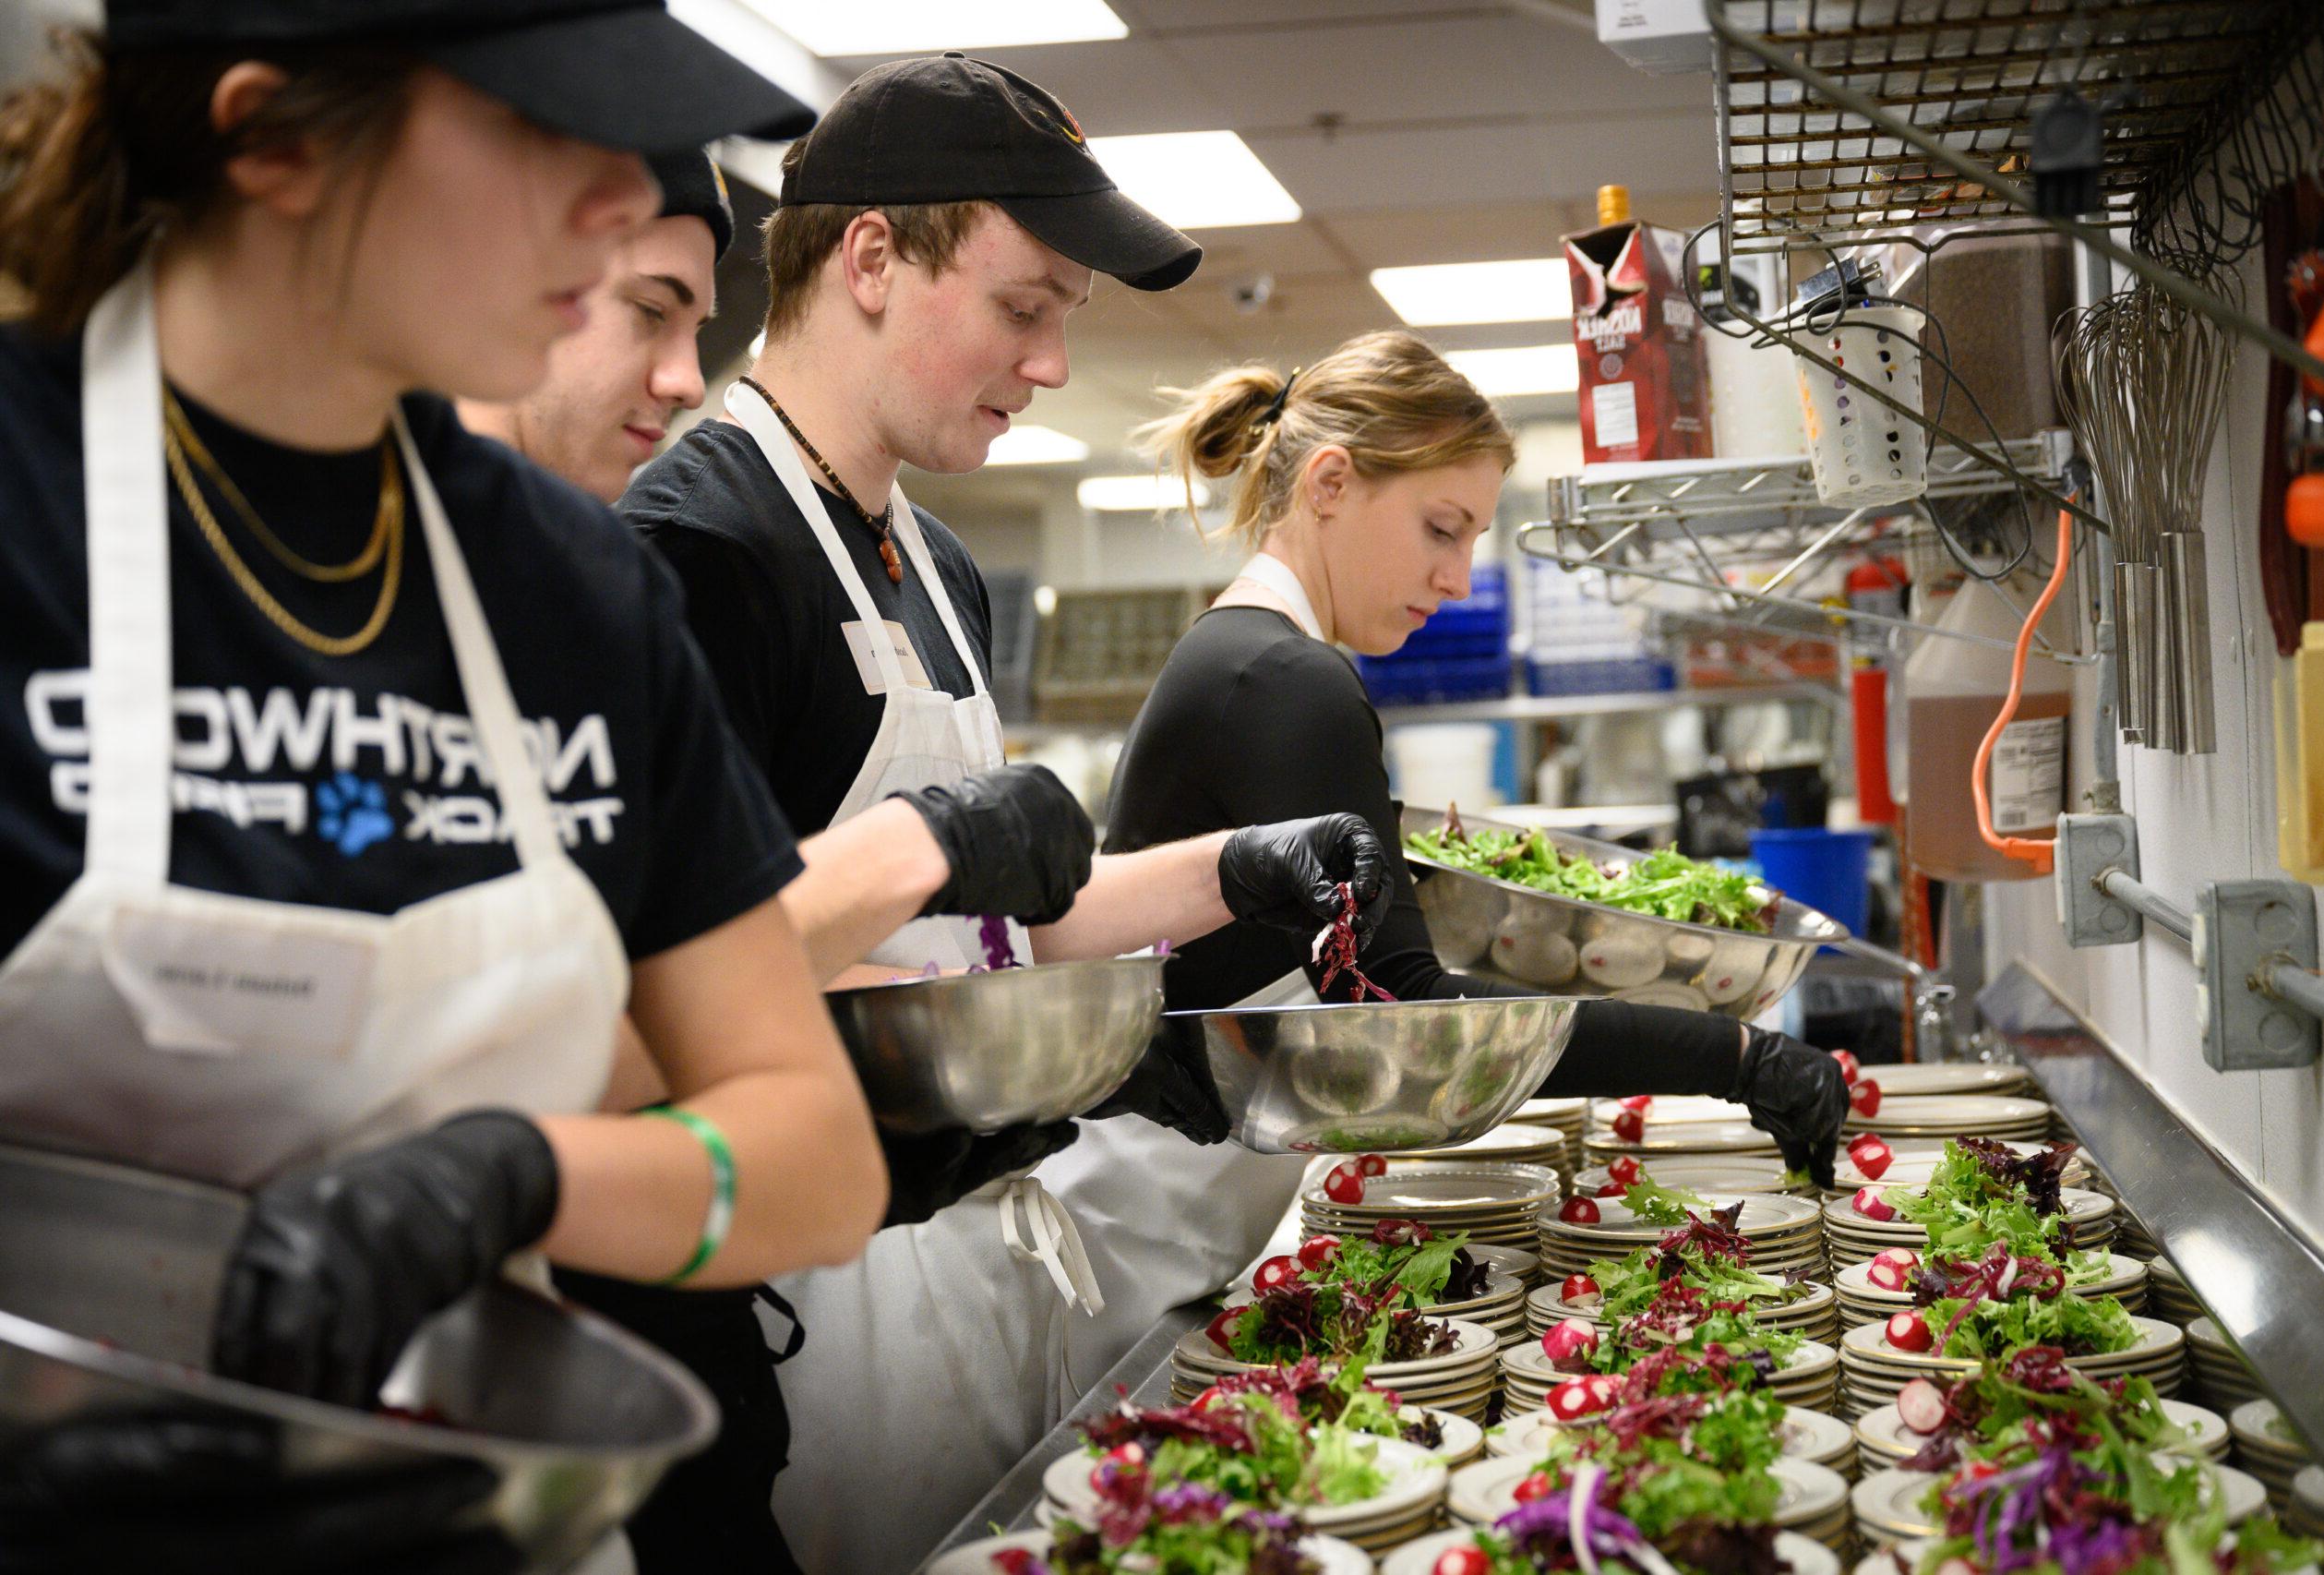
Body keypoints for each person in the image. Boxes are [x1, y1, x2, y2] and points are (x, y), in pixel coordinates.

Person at [0, 4, 908, 1569]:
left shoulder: (568, 591)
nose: (622, 198)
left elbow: (814, 1159)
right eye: (540, 127)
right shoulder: (28, 503)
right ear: (274, 135)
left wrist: (515, 1170)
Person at [615, 54, 1388, 1574]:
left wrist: (1228, 878)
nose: (1046, 363)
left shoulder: (940, 567)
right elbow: (693, 993)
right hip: (822, 1286)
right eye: (1026, 305)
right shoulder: (699, 553)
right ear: (872, 258)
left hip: (977, 1235)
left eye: (1064, 324)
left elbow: (999, 912)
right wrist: (1073, 1049)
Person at [451, 138, 1119, 1572]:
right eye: (640, 306)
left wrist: (1224, 880)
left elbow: (661, 1031)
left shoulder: (604, 588)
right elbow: (647, 1024)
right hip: (682, 1316)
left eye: (696, 320)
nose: (685, 374)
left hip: (740, 1287)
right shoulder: (689, 544)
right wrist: (916, 863)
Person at [1109, 330, 1851, 1154]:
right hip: (1146, 1207)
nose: (1459, 580)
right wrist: (1736, 1056)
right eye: (1441, 529)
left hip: (1179, 1184)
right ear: (1330, 484)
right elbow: (1402, 1009)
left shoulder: (1245, 657)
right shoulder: (1286, 679)